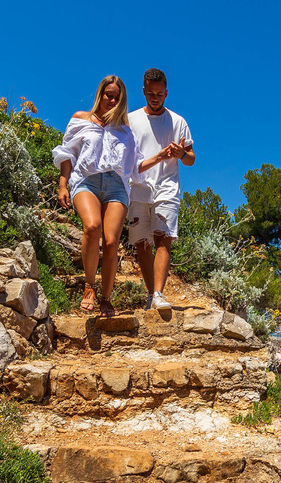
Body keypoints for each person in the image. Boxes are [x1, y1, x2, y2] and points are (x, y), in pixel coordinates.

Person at [53, 76, 146, 313]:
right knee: (92, 227)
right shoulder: (80, 119)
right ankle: (89, 286)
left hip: (116, 185)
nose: (112, 100)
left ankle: (106, 297)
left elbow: (136, 165)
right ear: (100, 94)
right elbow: (67, 154)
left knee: (112, 241)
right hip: (87, 180)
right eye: (108, 95)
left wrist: (164, 156)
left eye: (117, 97)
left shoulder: (125, 131)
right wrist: (63, 184)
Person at [126, 68, 195, 310]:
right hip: (138, 186)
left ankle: (158, 294)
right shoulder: (131, 119)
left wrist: (181, 153)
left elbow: (191, 159)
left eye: (160, 94)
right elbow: (125, 158)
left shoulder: (178, 122)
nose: (155, 98)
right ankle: (150, 294)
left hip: (167, 186)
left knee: (163, 238)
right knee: (142, 243)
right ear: (143, 91)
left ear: (166, 93)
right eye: (151, 93)